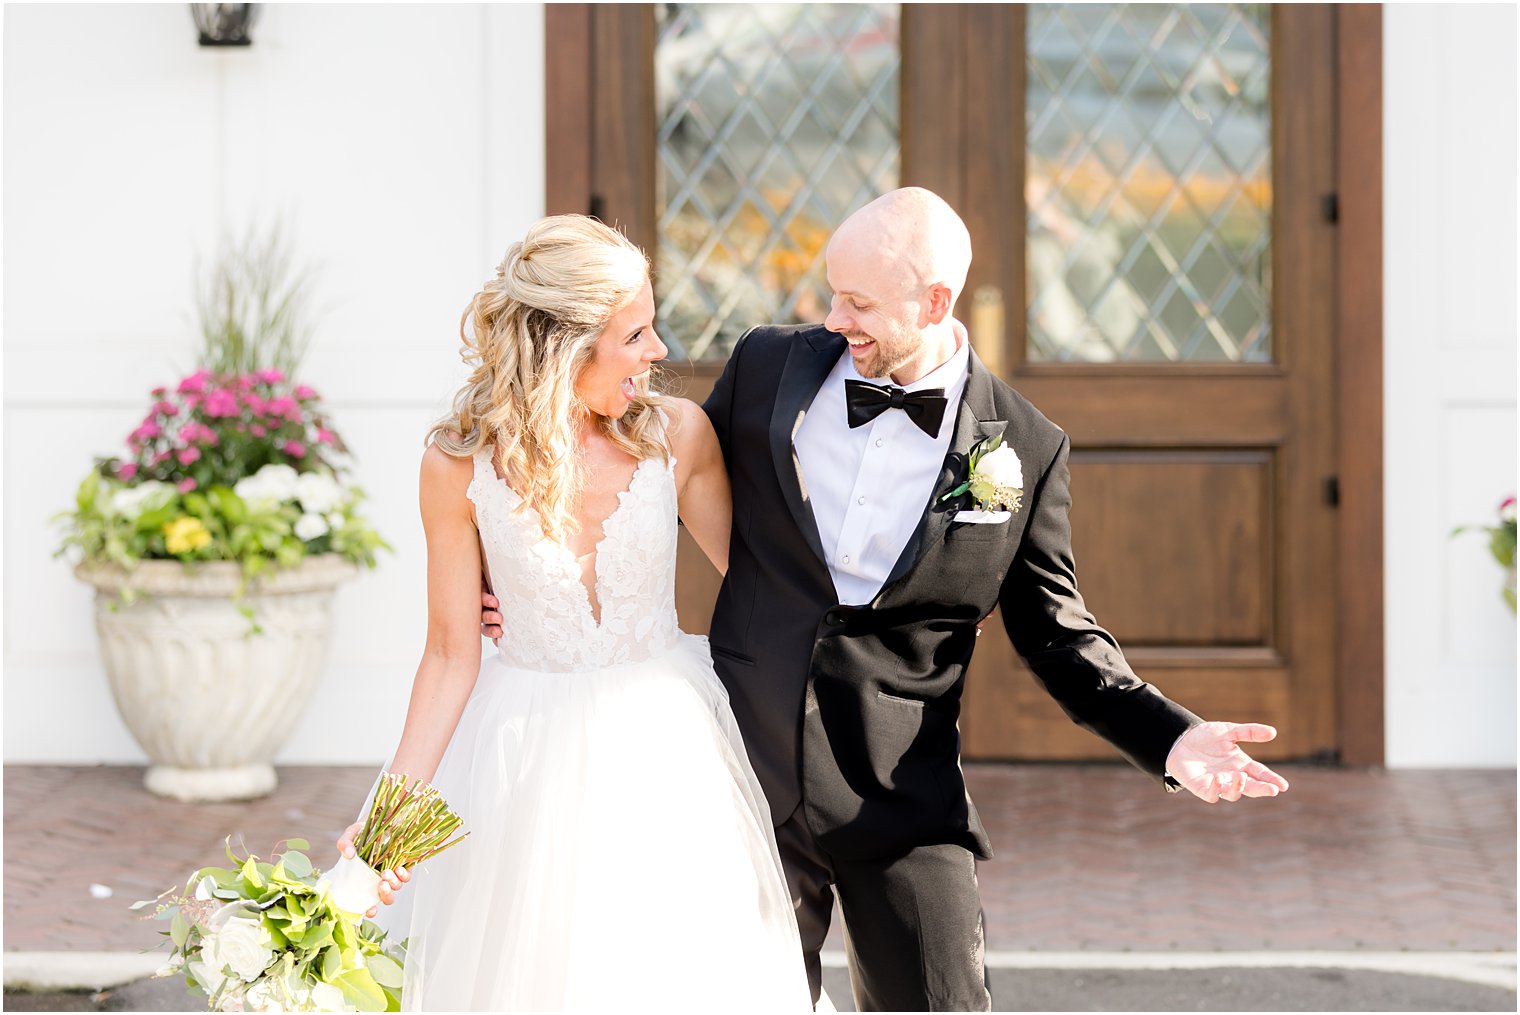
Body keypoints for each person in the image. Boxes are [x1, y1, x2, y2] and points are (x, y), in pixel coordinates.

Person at [483, 187, 1289, 1012]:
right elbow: (633, 473)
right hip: (740, 773)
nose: (835, 318)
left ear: (935, 300)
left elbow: (1060, 638)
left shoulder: (1025, 448)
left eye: (860, 301)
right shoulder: (766, 368)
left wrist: (1173, 737)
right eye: (832, 292)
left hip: (901, 795)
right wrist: (525, 574)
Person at [337, 215, 812, 1011]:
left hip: (669, 751)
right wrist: (388, 818)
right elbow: (452, 654)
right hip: (519, 759)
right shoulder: (456, 466)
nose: (658, 352)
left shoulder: (678, 437)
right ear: (564, 344)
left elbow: (766, 593)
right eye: (636, 334)